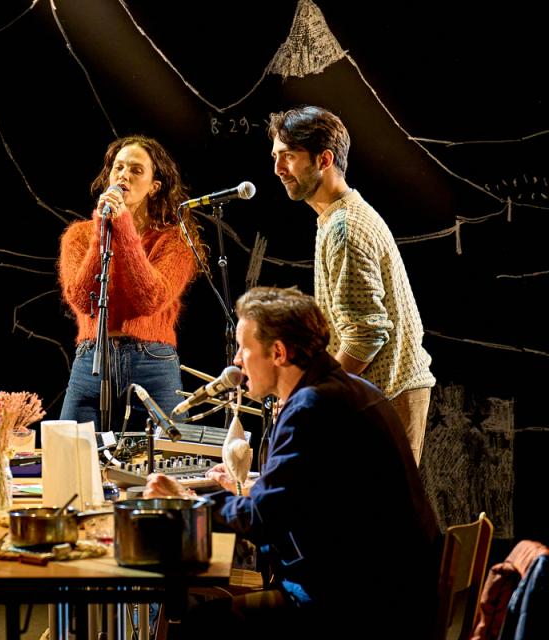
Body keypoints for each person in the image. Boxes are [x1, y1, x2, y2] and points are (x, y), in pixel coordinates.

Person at [146, 286, 439, 639]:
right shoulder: (355, 390)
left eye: (244, 348)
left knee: (201, 626)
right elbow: (319, 498)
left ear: (279, 353)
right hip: (394, 598)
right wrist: (254, 489)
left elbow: (262, 521)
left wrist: (187, 503)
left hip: (361, 613)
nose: (237, 361)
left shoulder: (309, 408)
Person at [269, 105, 435, 465]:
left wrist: (311, 393)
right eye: (276, 157)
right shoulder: (336, 218)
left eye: (289, 157)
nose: (278, 169)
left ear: (323, 159)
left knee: (379, 520)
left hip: (387, 397)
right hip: (377, 395)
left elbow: (365, 335)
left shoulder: (345, 228)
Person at [58, 135, 207, 431]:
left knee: (162, 465)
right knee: (70, 459)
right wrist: (103, 232)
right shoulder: (79, 235)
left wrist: (123, 228)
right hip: (91, 363)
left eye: (136, 170)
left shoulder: (175, 239)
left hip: (152, 364)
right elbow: (81, 299)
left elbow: (150, 299)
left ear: (155, 186)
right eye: (118, 168)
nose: (124, 175)